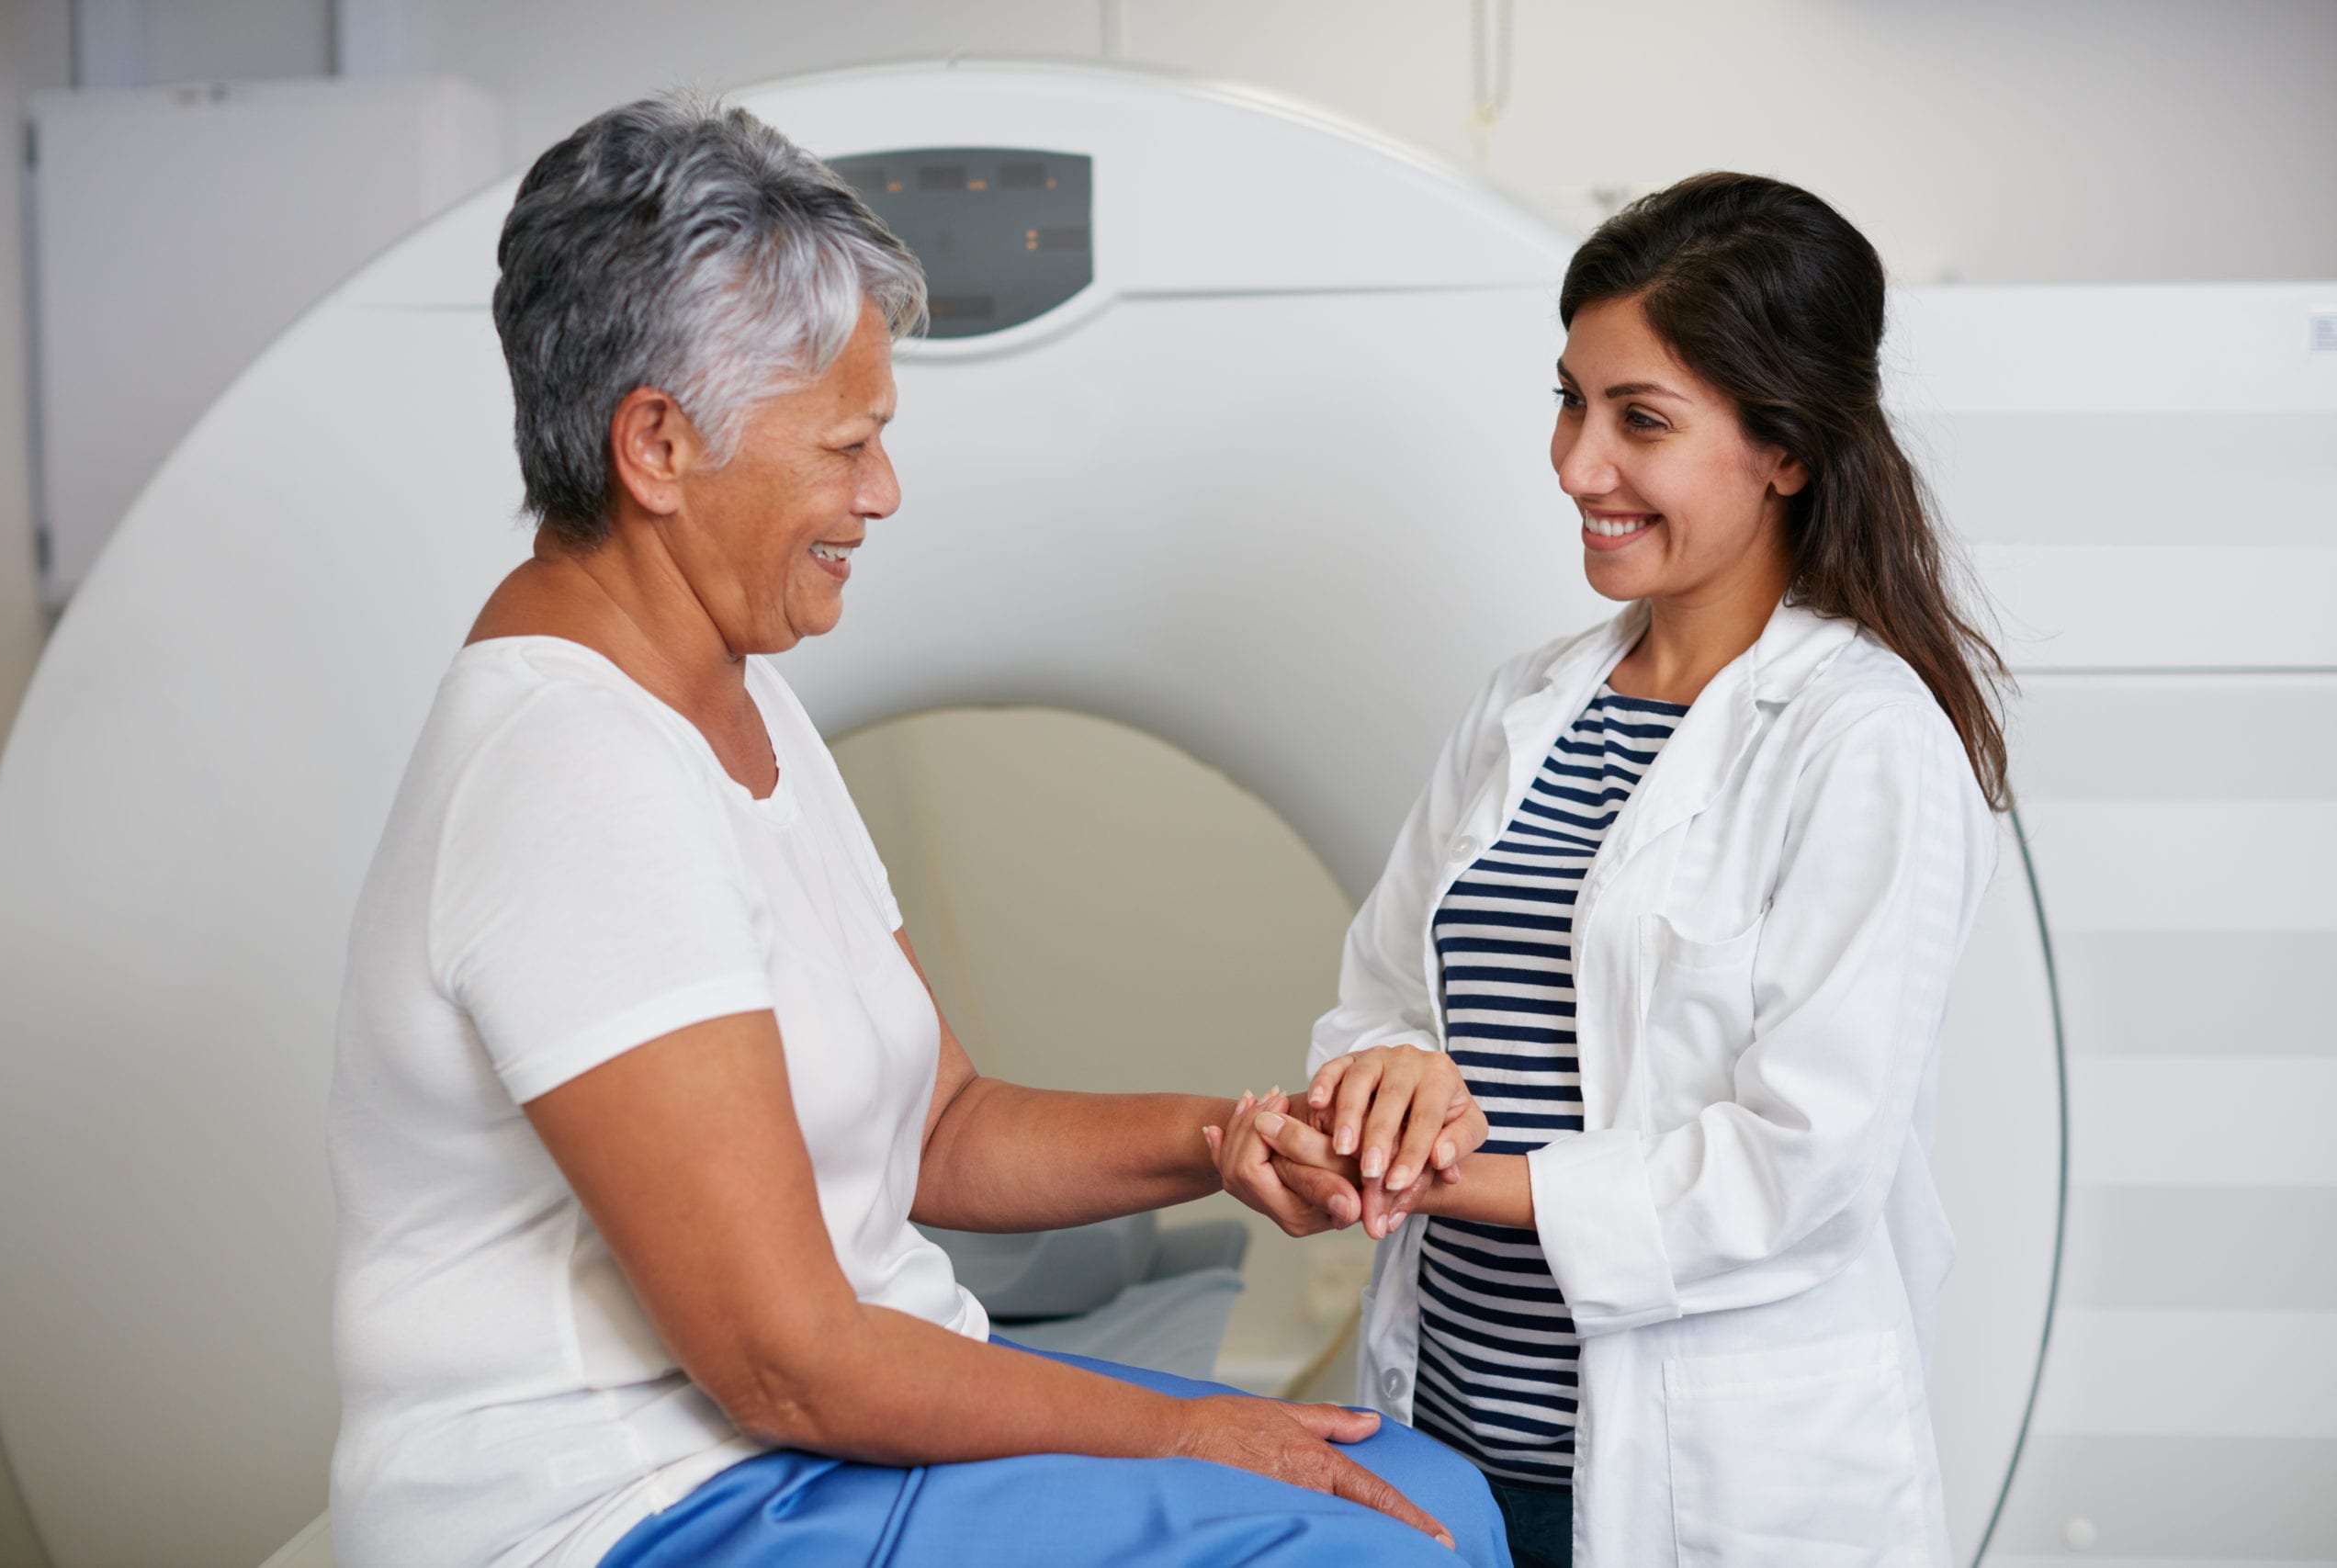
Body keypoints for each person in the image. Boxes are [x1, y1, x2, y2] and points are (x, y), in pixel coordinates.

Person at [324, 95, 1502, 1568]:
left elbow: (940, 1130)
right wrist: (1184, 1432)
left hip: (802, 1447)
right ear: (658, 446)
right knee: (1368, 1548)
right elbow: (785, 1359)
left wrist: (1226, 1138)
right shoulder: (573, 773)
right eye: (844, 446)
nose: (880, 493)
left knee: (1430, 1496)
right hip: (637, 1504)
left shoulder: (734, 704)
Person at [1211, 172, 2010, 1568]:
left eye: (1640, 419)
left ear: (1788, 450)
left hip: (1703, 1483)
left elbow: (1798, 1168)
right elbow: (1383, 1000)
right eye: (1572, 401)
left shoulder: (1864, 741)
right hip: (1448, 1445)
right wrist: (1387, 1081)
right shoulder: (1525, 706)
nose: (1579, 463)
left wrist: (1457, 1180)